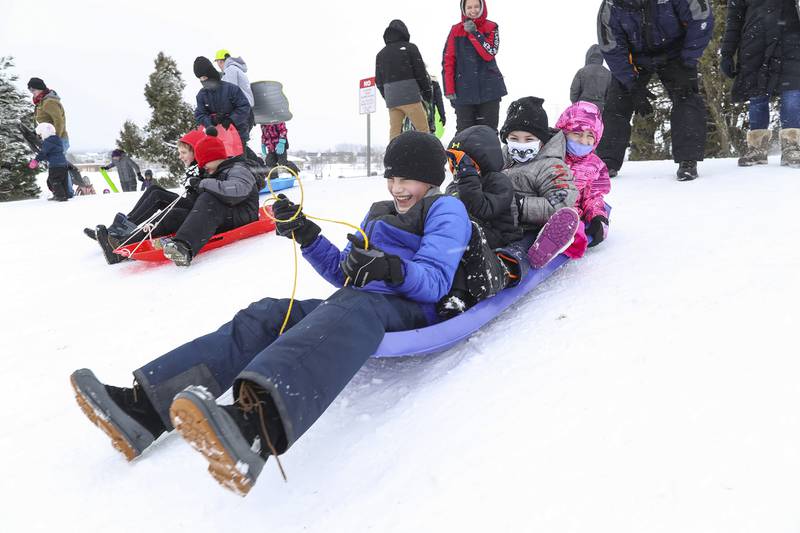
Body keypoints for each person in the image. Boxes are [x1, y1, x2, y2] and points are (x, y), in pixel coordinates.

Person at [69, 131, 471, 496]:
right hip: (359, 304)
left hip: (409, 310)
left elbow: (434, 282)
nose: (397, 187)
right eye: (392, 177)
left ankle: (254, 429)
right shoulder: (380, 209)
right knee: (267, 314)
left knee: (354, 303)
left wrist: (390, 268)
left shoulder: (446, 210)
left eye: (407, 179)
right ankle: (142, 408)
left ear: (431, 179)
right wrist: (306, 234)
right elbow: (342, 273)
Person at [596, 0, 714, 181]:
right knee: (617, 103)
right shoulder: (611, 6)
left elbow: (701, 18)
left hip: (675, 53)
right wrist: (632, 84)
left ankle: (688, 161)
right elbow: (611, 46)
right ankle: (607, 161)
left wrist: (689, 59)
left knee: (687, 96)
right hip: (635, 57)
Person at [438, 125, 523, 316]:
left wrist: (467, 176)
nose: (455, 170)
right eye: (453, 163)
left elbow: (482, 209)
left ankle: (460, 295)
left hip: (498, 234)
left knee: (460, 246)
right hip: (472, 230)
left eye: (460, 163)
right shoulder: (457, 183)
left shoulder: (498, 181)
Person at [88, 130, 206, 265]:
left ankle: (121, 237)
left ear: (197, 152)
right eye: (179, 153)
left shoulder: (203, 167)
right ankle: (118, 231)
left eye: (183, 153)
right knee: (153, 189)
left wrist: (198, 183)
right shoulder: (194, 167)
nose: (180, 157)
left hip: (195, 208)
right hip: (190, 203)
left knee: (157, 195)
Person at [499, 97, 583, 269]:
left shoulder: (551, 165)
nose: (520, 145)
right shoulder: (500, 158)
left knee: (517, 250)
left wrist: (521, 206)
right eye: (514, 138)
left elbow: (561, 201)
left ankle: (519, 262)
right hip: (498, 221)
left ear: (542, 141)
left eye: (528, 140)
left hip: (527, 228)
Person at [160, 129, 261, 266]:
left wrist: (202, 184)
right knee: (177, 214)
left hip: (243, 214)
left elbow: (237, 191)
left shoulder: (238, 169)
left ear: (212, 157)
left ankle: (184, 247)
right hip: (226, 214)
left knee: (208, 198)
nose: (202, 166)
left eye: (204, 163)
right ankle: (133, 241)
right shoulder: (216, 172)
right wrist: (194, 189)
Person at [721, 0, 800, 167]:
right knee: (757, 96)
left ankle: (791, 146)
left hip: (790, 42)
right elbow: (734, 20)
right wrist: (727, 53)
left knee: (792, 94)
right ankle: (757, 148)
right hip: (754, 43)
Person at [555, 101, 612, 253]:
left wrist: (597, 217)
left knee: (576, 223)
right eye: (577, 134)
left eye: (589, 136)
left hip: (573, 214)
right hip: (547, 208)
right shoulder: (552, 157)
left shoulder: (595, 165)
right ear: (565, 133)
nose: (583, 141)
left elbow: (593, 197)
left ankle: (568, 236)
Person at [442, 0, 508, 132]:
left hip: (490, 91)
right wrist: (449, 88)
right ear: (463, 9)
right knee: (464, 134)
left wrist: (474, 33)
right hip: (463, 93)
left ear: (482, 7)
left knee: (488, 133)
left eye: (477, 6)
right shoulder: (455, 30)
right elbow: (448, 60)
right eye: (469, 7)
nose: (473, 10)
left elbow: (489, 53)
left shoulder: (492, 27)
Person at [375, 19, 433, 140]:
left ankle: (392, 157)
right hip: (410, 96)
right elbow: (420, 73)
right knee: (423, 130)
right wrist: (427, 93)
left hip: (392, 100)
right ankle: (428, 156)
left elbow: (379, 82)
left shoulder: (380, 55)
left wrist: (388, 96)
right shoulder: (411, 48)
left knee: (394, 133)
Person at [28, 77, 73, 197]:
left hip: (58, 139)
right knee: (58, 166)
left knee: (59, 167)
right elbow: (45, 122)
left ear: (40, 88)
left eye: (33, 90)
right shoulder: (42, 101)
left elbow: (59, 121)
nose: (32, 93)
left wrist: (56, 139)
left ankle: (67, 192)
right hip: (52, 139)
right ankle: (64, 192)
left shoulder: (49, 102)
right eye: (30, 91)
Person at [193, 56, 252, 146]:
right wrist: (212, 120)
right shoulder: (202, 95)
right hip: (217, 138)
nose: (203, 81)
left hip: (237, 136)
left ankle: (255, 159)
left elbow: (244, 106)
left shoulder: (231, 89)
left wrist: (231, 120)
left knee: (238, 159)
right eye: (200, 78)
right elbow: (199, 114)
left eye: (204, 77)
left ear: (210, 73)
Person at [29, 122, 69, 201]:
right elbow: (53, 152)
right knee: (62, 181)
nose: (40, 137)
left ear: (44, 133)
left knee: (54, 180)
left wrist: (36, 161)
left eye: (40, 134)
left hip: (55, 165)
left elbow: (43, 153)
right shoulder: (58, 140)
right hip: (63, 164)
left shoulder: (47, 142)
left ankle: (61, 196)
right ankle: (63, 195)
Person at [569, 45, 613, 112]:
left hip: (582, 108)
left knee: (582, 122)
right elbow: (610, 95)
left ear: (588, 56)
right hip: (599, 110)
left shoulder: (581, 71)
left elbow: (574, 92)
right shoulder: (608, 74)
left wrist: (576, 104)